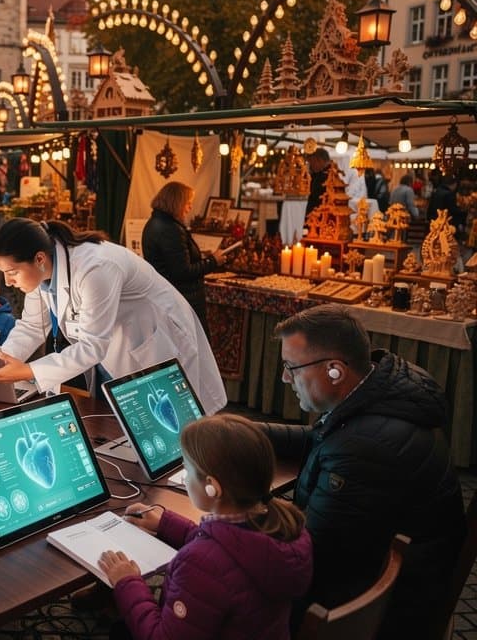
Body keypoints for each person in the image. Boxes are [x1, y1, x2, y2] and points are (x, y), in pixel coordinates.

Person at [264, 305, 465, 638]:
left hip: (383, 614)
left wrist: (240, 520)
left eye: (291, 367)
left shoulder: (365, 448)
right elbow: (319, 439)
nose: (285, 378)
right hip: (394, 576)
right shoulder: (381, 393)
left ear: (335, 371)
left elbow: (309, 560)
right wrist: (242, 432)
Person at [0, 218, 226, 412]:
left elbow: (92, 346)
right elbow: (32, 326)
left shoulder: (96, 267)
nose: (8, 282)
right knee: (120, 425)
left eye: (12, 272)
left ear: (39, 259)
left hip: (154, 345)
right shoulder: (42, 270)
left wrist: (29, 371)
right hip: (114, 350)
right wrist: (0, 364)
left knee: (171, 430)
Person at [99, 414, 312, 640]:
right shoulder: (285, 526)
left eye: (187, 471)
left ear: (212, 487)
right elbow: (232, 545)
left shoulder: (198, 563)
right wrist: (166, 523)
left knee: (120, 630)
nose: (185, 479)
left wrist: (127, 581)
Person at [141, 181, 227, 333]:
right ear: (177, 203)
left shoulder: (153, 223)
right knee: (192, 343)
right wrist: (213, 261)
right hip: (183, 299)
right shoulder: (171, 229)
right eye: (188, 203)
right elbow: (182, 272)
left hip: (167, 297)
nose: (190, 208)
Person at [305, 148, 332, 214]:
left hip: (321, 213)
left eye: (312, 162)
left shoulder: (329, 175)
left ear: (319, 160)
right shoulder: (318, 174)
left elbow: (316, 196)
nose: (311, 166)